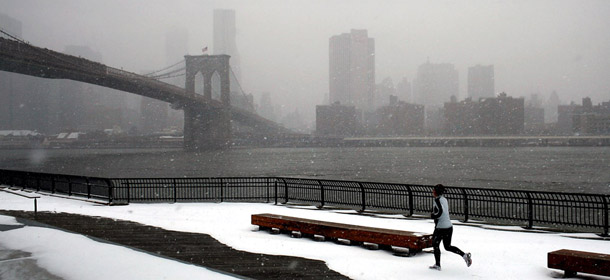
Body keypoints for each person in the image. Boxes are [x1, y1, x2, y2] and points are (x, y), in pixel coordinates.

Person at [429, 184, 472, 271]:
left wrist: (433, 215)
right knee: (447, 246)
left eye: (434, 190)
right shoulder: (444, 199)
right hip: (449, 227)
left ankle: (438, 265)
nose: (432, 191)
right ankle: (464, 255)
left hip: (441, 227)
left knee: (435, 244)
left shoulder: (437, 200)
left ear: (436, 192)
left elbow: (441, 212)